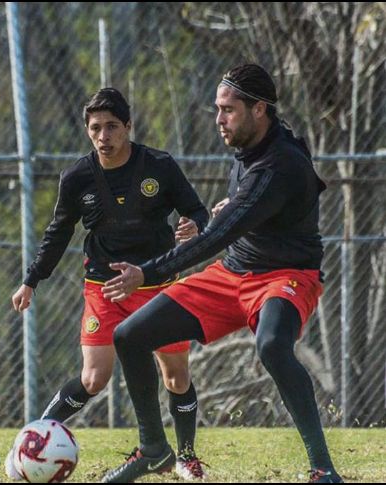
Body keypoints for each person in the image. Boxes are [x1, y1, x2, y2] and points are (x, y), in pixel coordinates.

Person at [102, 64, 342, 484]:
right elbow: (239, 220)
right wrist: (233, 209)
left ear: (259, 109)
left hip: (286, 276)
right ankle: (154, 449)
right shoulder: (252, 147)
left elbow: (216, 236)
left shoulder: (279, 165)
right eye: (217, 108)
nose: (218, 119)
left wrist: (148, 272)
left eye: (228, 109)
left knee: (272, 346)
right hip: (231, 274)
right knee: (129, 335)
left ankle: (323, 468)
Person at [9, 88, 210, 481]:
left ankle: (184, 457)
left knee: (176, 377)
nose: (104, 135)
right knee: (92, 378)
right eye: (96, 128)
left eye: (112, 127)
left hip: (159, 287)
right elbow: (57, 234)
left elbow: (197, 209)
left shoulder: (160, 166)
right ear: (87, 131)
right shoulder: (77, 178)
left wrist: (195, 225)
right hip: (104, 290)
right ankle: (32, 442)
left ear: (129, 127)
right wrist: (31, 280)